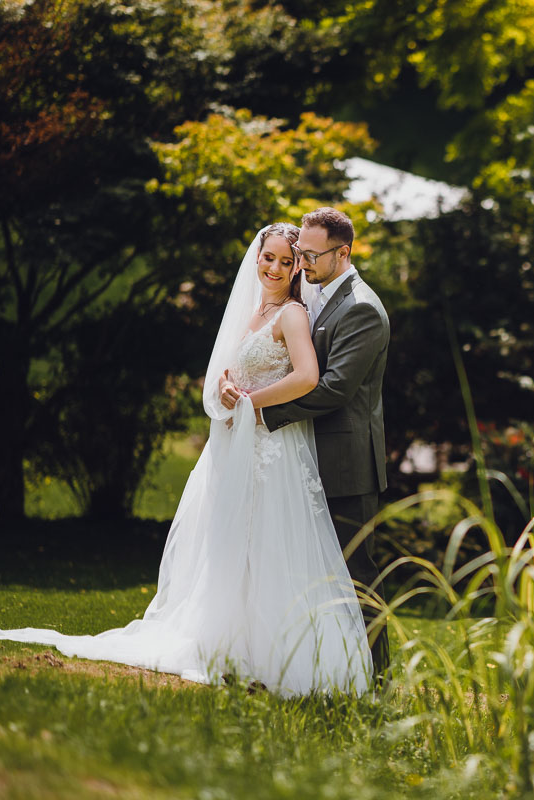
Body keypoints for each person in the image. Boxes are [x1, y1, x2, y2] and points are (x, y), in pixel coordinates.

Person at [0, 223, 373, 696]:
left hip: (271, 450)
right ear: (257, 256)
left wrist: (251, 403)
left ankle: (272, 652)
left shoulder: (292, 314)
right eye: (270, 258)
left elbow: (306, 377)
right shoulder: (253, 311)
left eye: (288, 262)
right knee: (227, 544)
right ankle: (225, 640)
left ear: (298, 267)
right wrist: (227, 387)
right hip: (237, 446)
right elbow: (236, 370)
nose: (276, 268)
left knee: (266, 544)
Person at [221, 207, 391, 678]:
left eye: (310, 255)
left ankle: (377, 675)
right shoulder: (318, 291)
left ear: (344, 253)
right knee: (311, 570)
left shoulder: (362, 308)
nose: (302, 263)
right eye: (301, 253)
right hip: (308, 455)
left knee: (356, 573)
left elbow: (334, 388)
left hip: (347, 463)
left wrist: (260, 411)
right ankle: (318, 665)